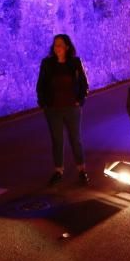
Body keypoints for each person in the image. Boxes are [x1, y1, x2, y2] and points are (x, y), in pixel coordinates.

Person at [36, 34, 90, 185]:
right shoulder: (47, 63)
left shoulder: (75, 62)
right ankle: (58, 171)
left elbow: (84, 84)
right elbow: (41, 84)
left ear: (67, 46)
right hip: (53, 109)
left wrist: (80, 100)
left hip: (72, 108)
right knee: (57, 140)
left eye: (60, 44)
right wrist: (43, 103)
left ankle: (82, 170)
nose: (57, 47)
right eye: (55, 45)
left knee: (76, 140)